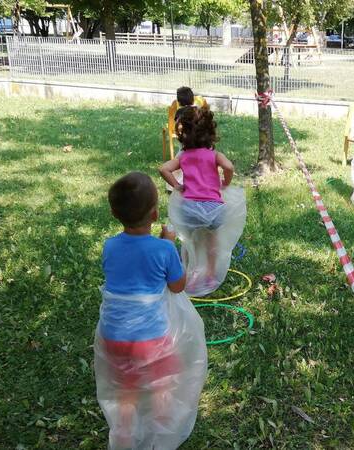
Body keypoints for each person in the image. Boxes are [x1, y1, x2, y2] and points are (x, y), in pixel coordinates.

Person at [94, 172, 208, 450]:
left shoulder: (109, 246)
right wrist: (168, 243)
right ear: (156, 214)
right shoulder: (163, 249)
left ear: (113, 213)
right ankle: (162, 436)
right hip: (150, 339)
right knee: (162, 387)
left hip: (113, 336)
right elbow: (178, 286)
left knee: (126, 393)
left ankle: (122, 438)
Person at [159, 107, 246, 296]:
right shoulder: (214, 155)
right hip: (214, 209)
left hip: (189, 208)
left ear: (184, 135)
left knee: (189, 242)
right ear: (210, 133)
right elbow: (229, 166)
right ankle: (210, 273)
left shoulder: (183, 156)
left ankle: (188, 275)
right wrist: (225, 182)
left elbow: (164, 169)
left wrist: (177, 185)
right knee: (211, 241)